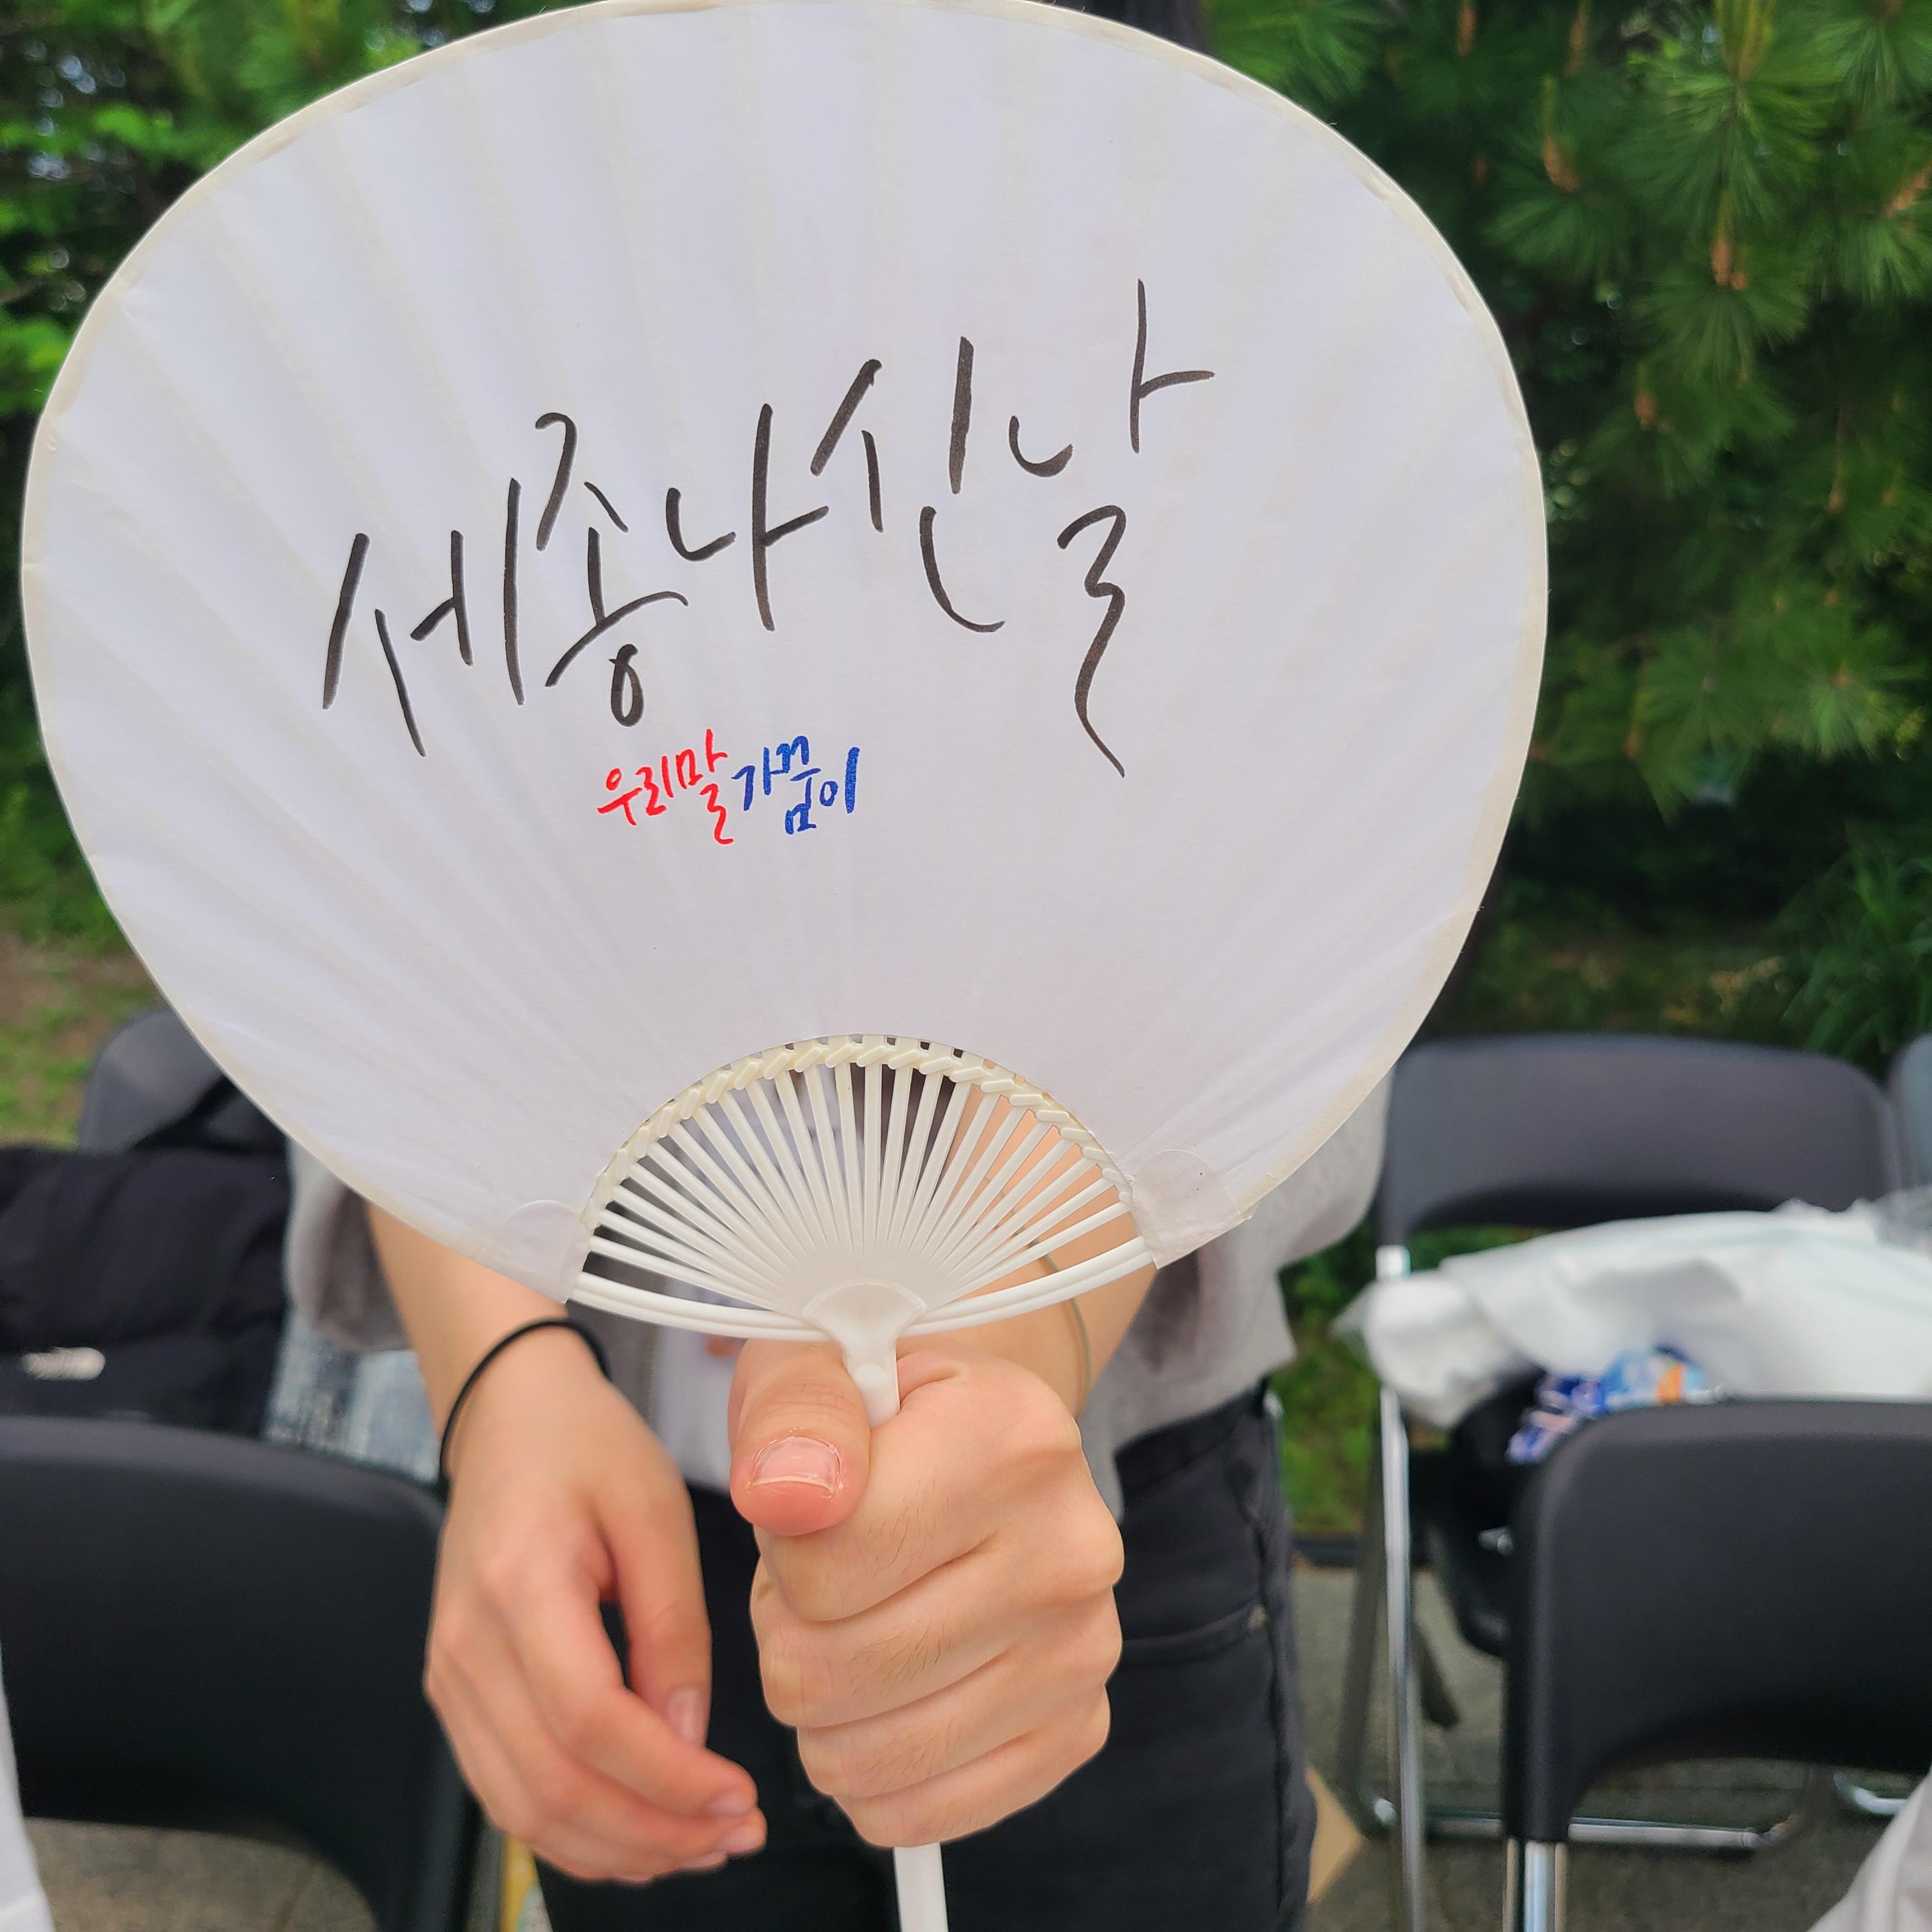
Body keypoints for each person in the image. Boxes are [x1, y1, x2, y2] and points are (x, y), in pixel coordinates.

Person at [286, 1080, 1386, 1931]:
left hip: (1091, 1498)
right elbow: (370, 959)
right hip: (616, 1528)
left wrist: (1012, 1321)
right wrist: (502, 1376)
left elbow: (1277, 942)